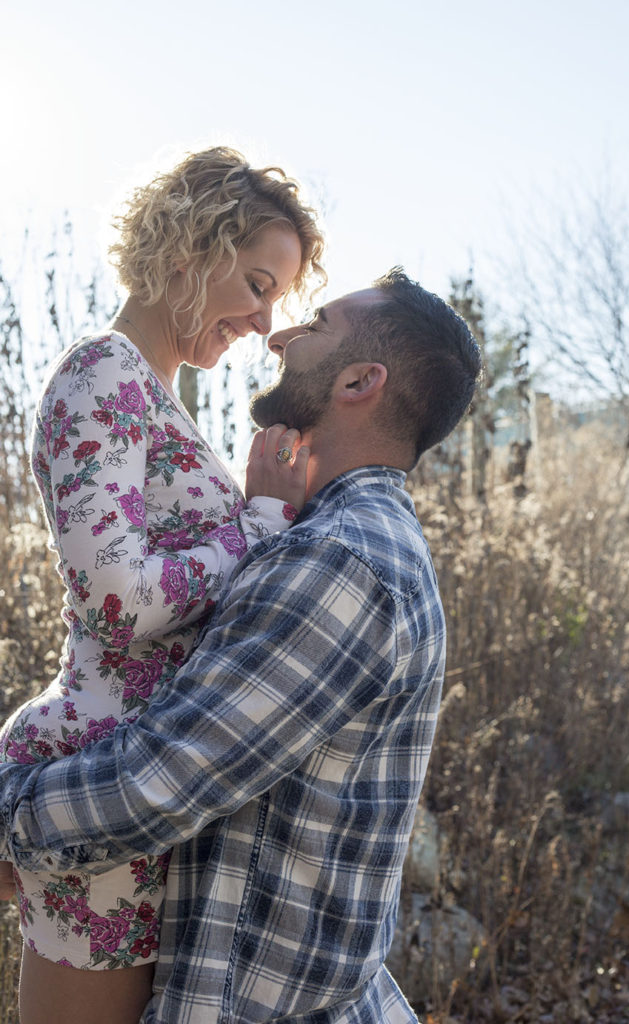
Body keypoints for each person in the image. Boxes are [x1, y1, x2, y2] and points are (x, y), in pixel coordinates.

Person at [0, 268, 482, 1024]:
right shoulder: (324, 538)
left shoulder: (339, 563)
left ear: (359, 380)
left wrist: (9, 817)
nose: (279, 332)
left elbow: (154, 783)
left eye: (314, 322)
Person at [0, 145, 325, 1024]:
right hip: (97, 794)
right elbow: (116, 599)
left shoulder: (156, 395)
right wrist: (257, 522)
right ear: (191, 245)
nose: (262, 323)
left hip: (154, 791)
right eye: (255, 284)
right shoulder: (102, 371)